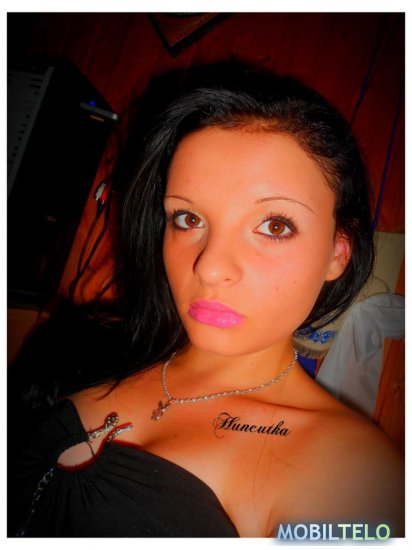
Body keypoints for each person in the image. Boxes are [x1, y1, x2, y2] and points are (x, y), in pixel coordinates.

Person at [8, 65, 404, 538]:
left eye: (274, 225)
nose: (210, 266)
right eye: (188, 218)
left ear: (338, 252)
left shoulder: (352, 477)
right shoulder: (73, 352)